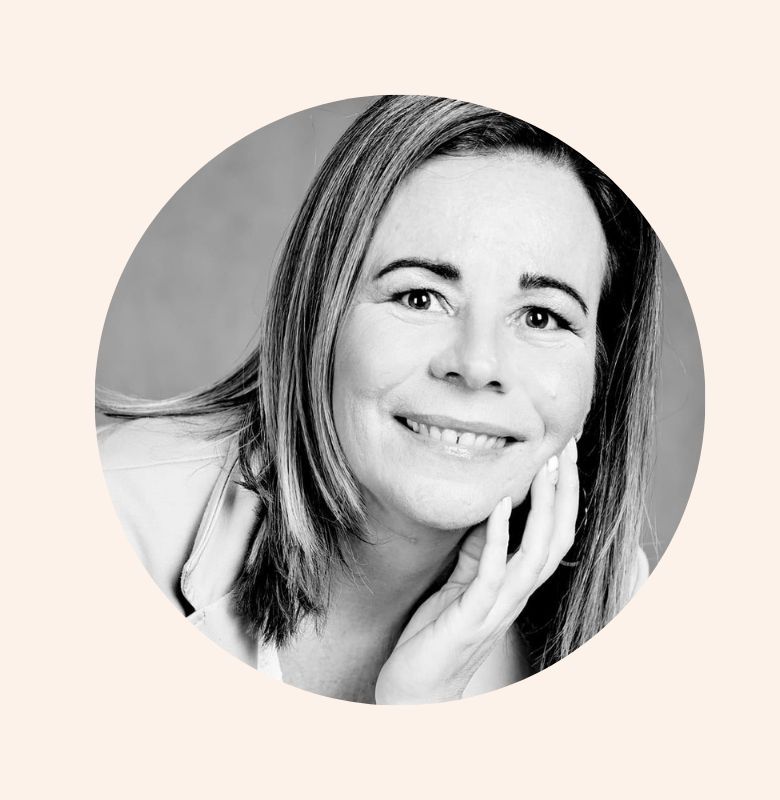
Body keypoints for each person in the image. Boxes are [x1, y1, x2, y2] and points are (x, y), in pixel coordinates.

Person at [97, 95, 661, 704]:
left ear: (602, 365)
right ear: (322, 315)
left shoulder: (615, 603)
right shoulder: (116, 511)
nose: (476, 365)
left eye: (543, 316)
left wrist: (420, 706)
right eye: (419, 298)